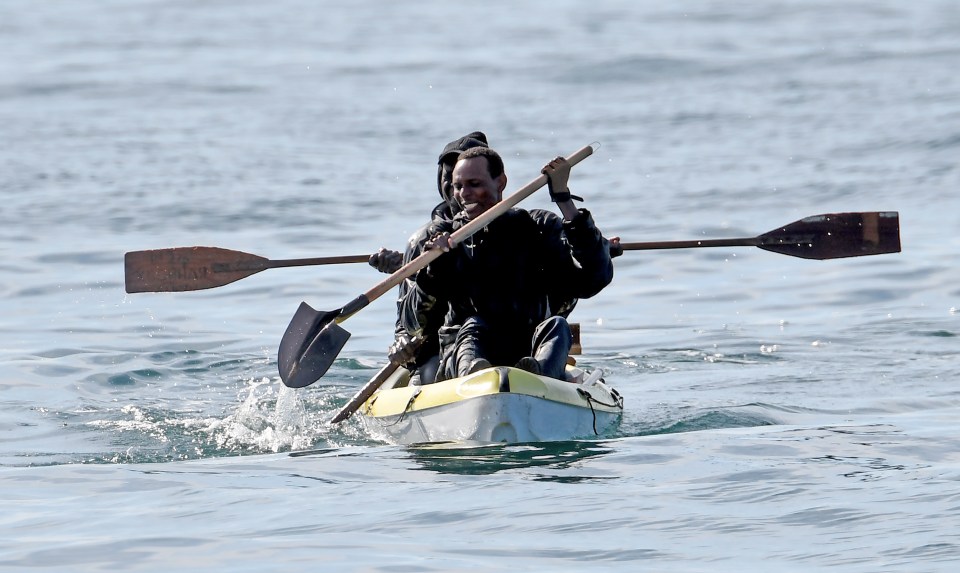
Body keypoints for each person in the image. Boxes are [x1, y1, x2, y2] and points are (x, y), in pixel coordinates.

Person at [399, 146, 614, 381]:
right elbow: (415, 325)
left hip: (527, 354)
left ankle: (535, 379)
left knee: (557, 326)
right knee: (473, 326)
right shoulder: (444, 238)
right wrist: (433, 269)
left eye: (474, 184)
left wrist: (562, 197)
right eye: (459, 186)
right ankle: (478, 378)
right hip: (463, 358)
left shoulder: (538, 226)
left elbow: (593, 279)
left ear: (500, 182)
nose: (464, 194)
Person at [367, 132, 492, 385]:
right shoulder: (422, 241)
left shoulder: (518, 227)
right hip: (441, 354)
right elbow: (408, 322)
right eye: (451, 176)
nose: (461, 189)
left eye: (472, 180)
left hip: (503, 342)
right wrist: (402, 343)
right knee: (430, 370)